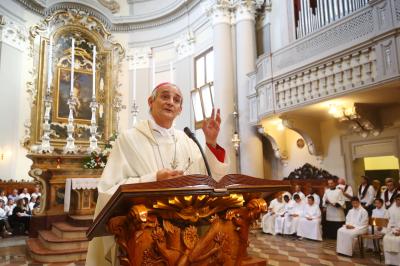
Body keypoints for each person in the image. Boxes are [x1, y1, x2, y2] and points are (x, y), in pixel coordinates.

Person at [86, 83, 230, 266]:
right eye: (165, 96)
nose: (170, 102)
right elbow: (108, 190)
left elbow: (210, 179)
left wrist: (210, 142)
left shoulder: (187, 141)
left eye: (176, 100)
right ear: (150, 101)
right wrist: (154, 179)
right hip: (145, 232)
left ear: (180, 109)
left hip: (186, 234)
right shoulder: (129, 139)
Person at [383, 194, 400, 265]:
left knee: (398, 240)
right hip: (391, 229)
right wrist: (391, 230)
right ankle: (389, 261)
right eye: (398, 199)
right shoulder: (391, 209)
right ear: (395, 200)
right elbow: (386, 220)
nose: (399, 201)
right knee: (386, 238)